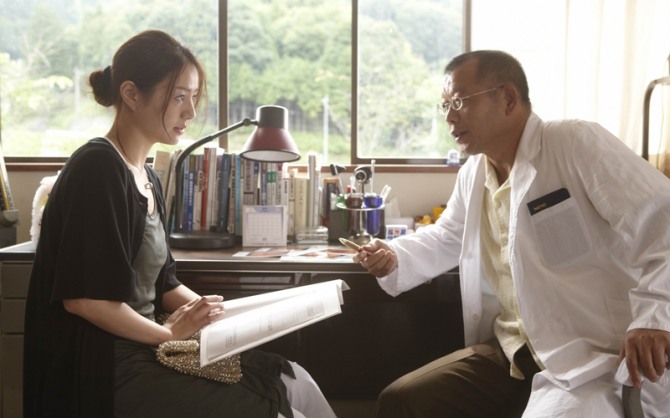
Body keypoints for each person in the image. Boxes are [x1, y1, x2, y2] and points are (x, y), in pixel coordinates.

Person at [23, 30, 336, 418]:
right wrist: (169, 334)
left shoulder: (148, 176)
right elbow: (86, 300)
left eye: (193, 97)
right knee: (281, 410)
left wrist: (227, 318)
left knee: (294, 380)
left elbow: (165, 284)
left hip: (147, 346)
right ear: (131, 94)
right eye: (179, 97)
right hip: (106, 365)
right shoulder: (98, 168)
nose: (190, 113)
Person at [354, 50, 670, 417]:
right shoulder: (474, 173)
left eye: (459, 101)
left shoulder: (573, 142)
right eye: (445, 106)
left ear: (507, 98)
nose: (450, 116)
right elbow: (447, 235)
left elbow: (661, 219)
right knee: (402, 400)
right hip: (512, 350)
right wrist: (396, 255)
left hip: (591, 355)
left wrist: (654, 317)